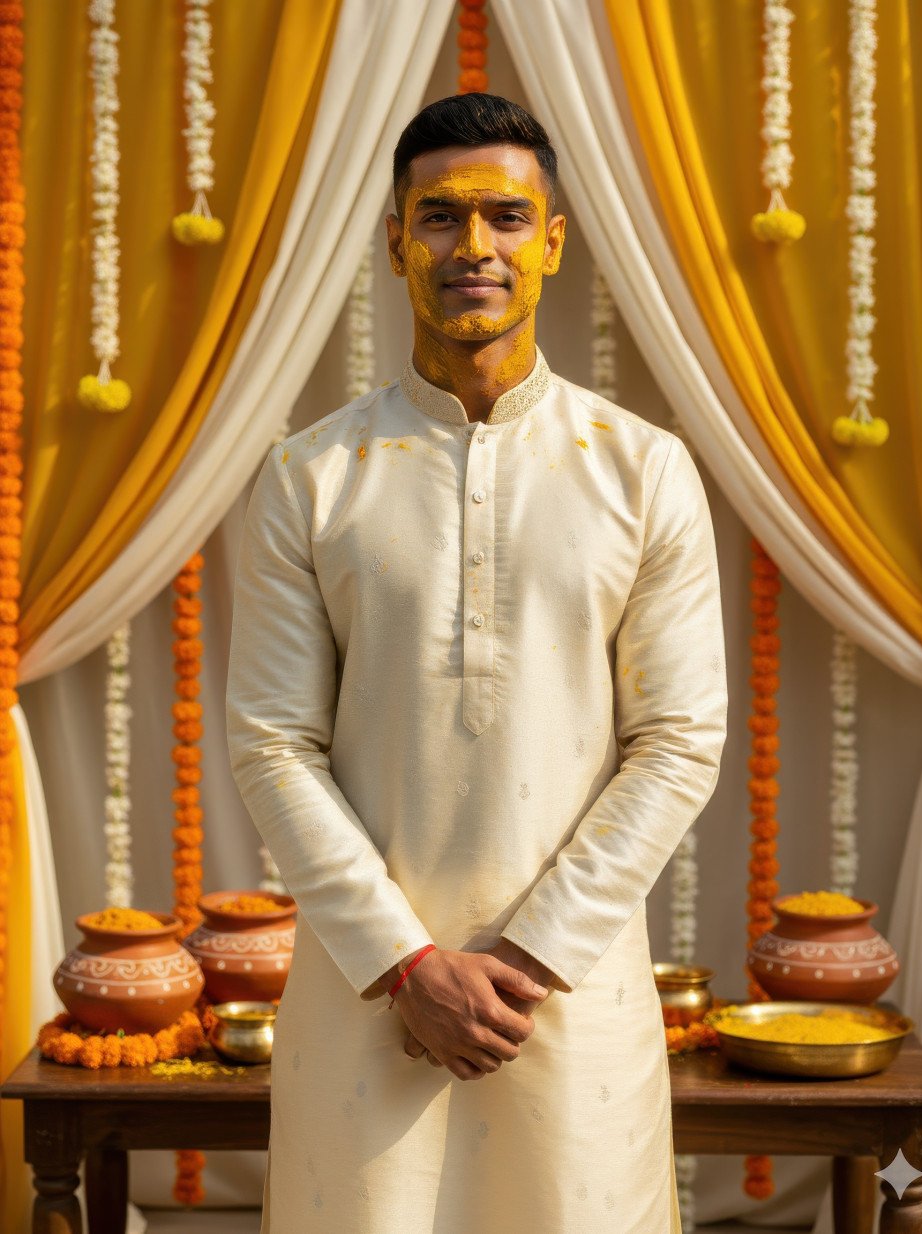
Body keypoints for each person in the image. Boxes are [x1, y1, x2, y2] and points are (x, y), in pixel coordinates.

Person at [226, 91, 727, 1234]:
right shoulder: (311, 475)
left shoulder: (643, 471)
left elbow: (681, 737)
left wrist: (528, 957)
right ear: (396, 240)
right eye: (441, 218)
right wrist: (408, 966)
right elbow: (269, 738)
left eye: (507, 215)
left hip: (570, 1003)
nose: (475, 248)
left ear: (553, 240)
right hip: (364, 1007)